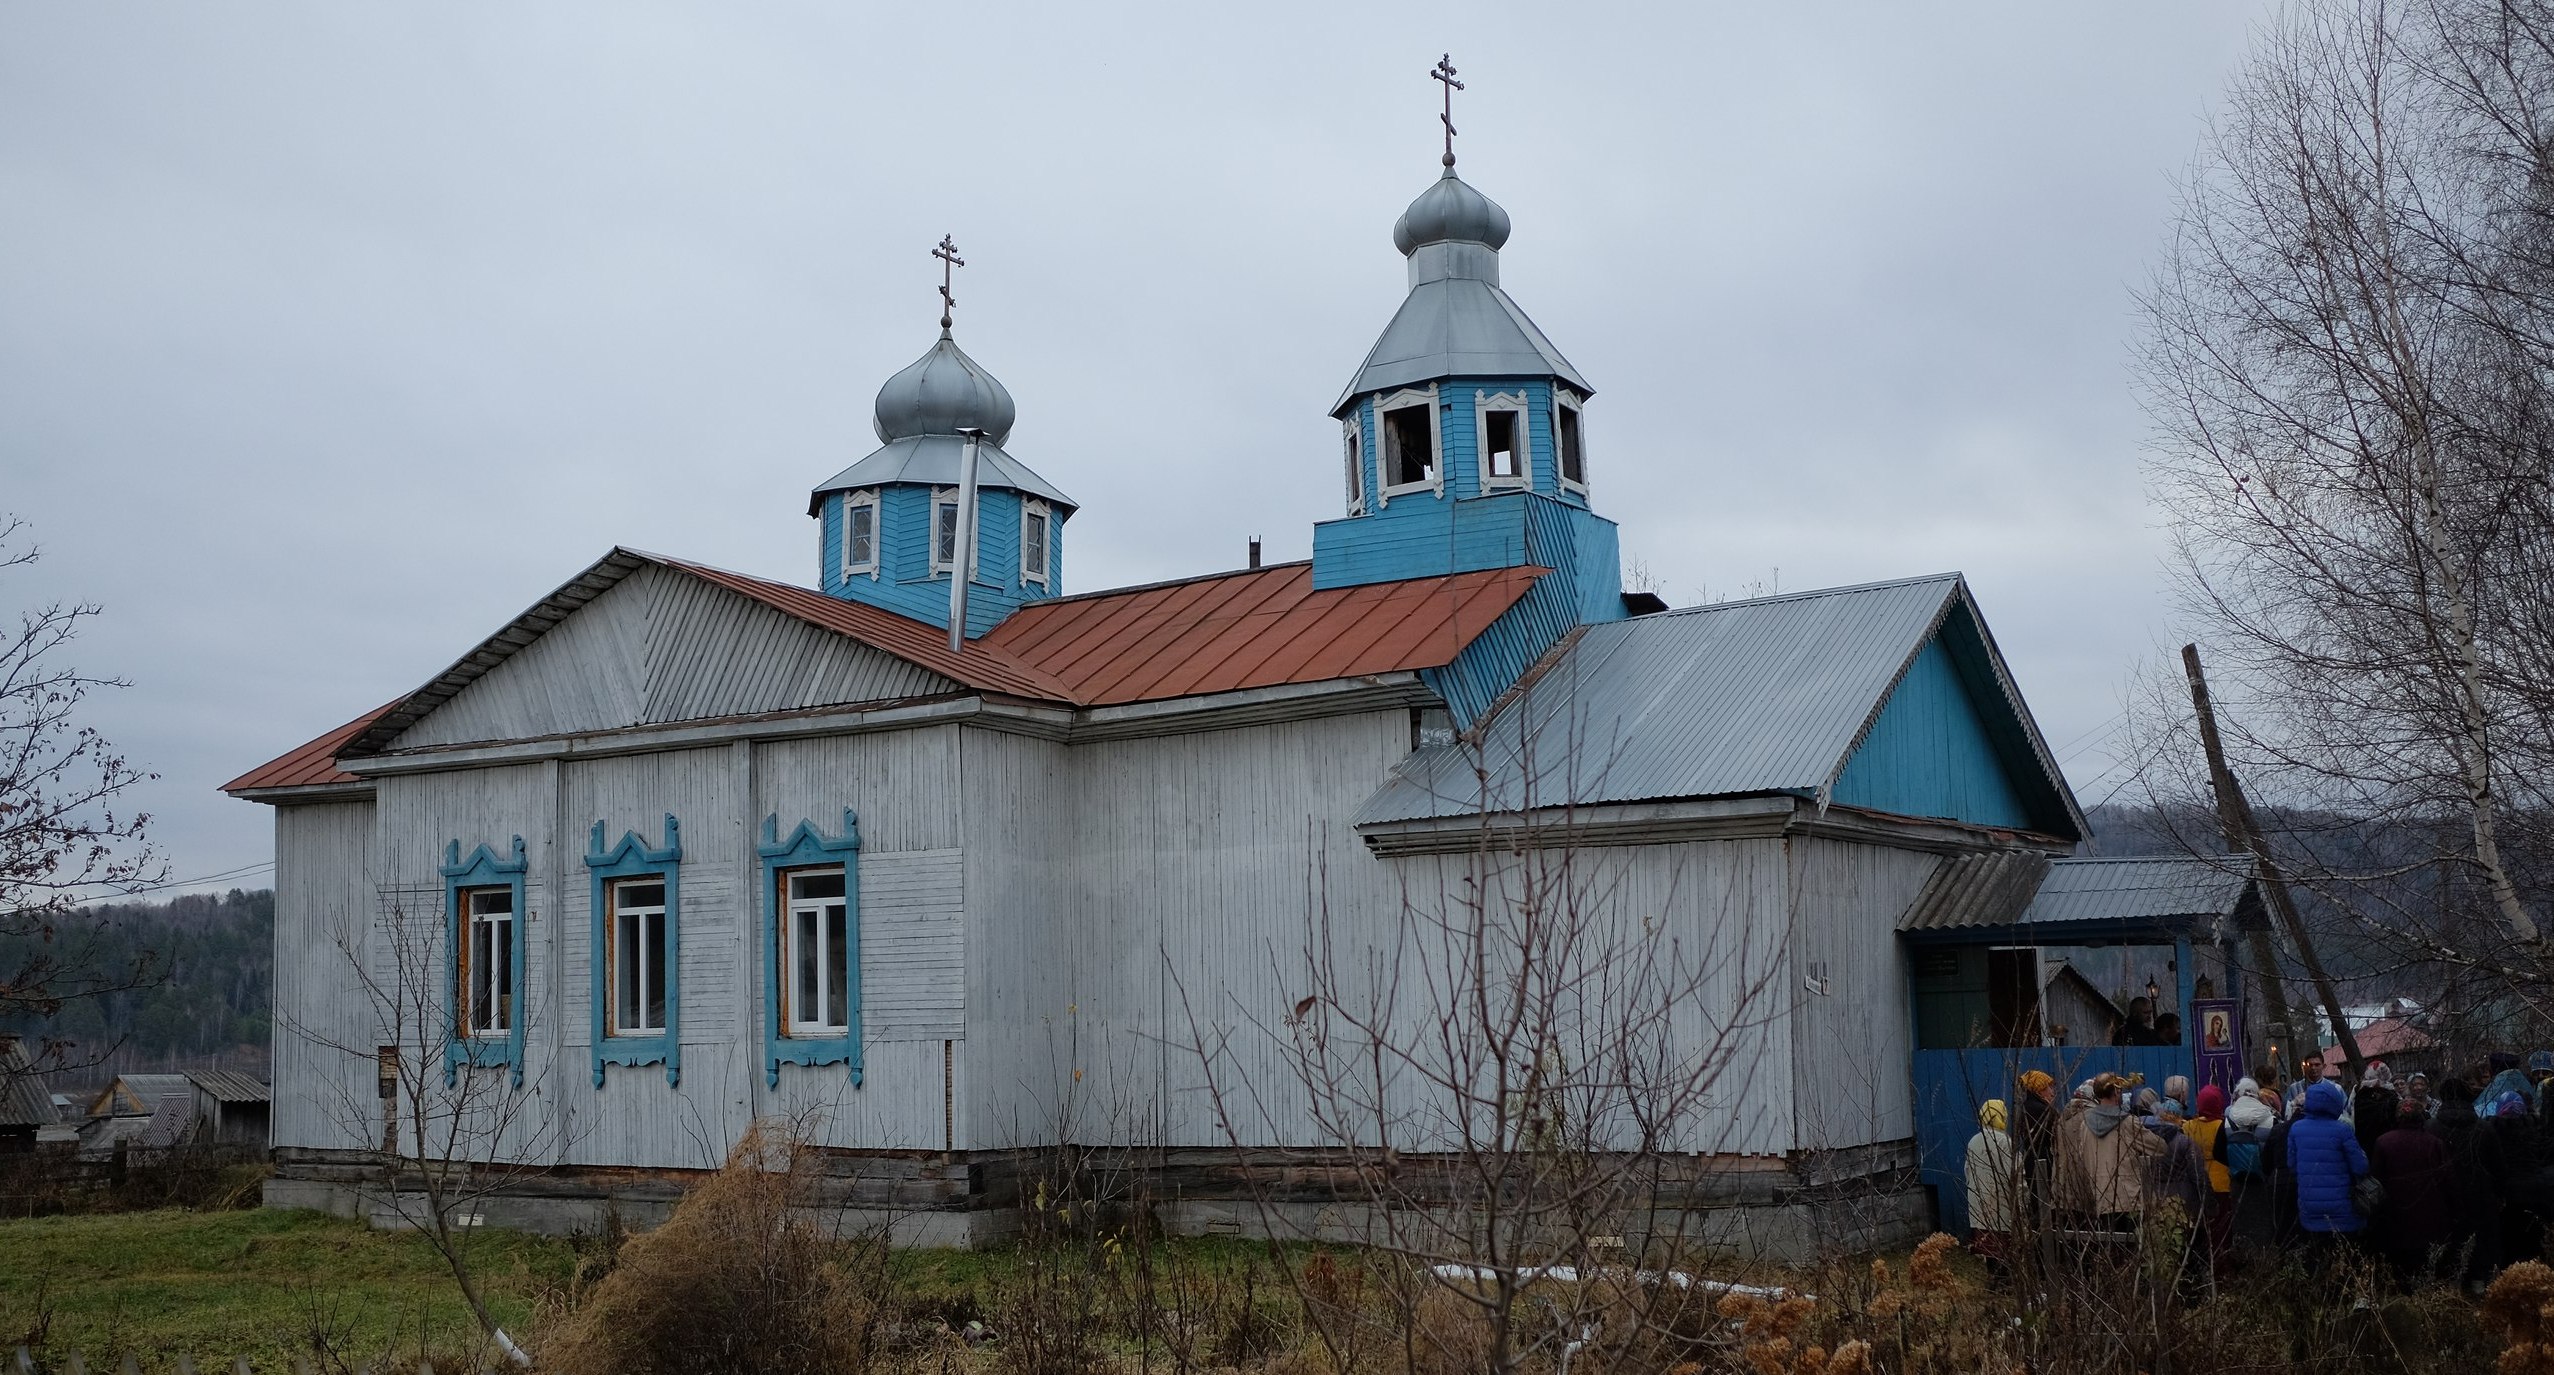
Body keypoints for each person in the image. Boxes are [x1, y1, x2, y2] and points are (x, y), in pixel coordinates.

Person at [2056, 1072, 2165, 1227]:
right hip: (2128, 1199)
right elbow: (2159, 1147)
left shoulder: (2085, 1125)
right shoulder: (2127, 1122)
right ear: (2117, 1092)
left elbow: (2082, 1158)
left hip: (2099, 1198)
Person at [2430, 1076, 2506, 1293]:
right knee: (2480, 1241)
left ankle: (2450, 1290)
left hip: (2444, 1196)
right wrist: (2500, 1194)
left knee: (2450, 1242)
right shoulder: (2484, 1128)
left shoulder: (2432, 1128)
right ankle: (2478, 1284)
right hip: (2481, 1194)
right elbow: (2498, 1166)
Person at [2370, 1099, 2457, 1284]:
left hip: (2396, 1211)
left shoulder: (2383, 1142)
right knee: (2426, 1261)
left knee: (2401, 1262)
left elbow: (2377, 1179)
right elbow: (2447, 1179)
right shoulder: (2434, 1143)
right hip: (2430, 1211)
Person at [2290, 1078, 2372, 1263]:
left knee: (2317, 1259)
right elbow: (2360, 1167)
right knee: (2344, 1260)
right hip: (2342, 1207)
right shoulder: (2342, 1130)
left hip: (2309, 1206)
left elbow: (2292, 1165)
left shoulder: (2296, 1129)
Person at [2185, 1084, 2236, 1281]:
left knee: (2202, 1229)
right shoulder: (2222, 1126)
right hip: (2221, 1181)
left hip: (2197, 1182)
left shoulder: (2188, 1126)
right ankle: (2222, 1268)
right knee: (2222, 1229)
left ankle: (2202, 1266)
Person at [1966, 1099, 2019, 1271]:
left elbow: (1968, 1171)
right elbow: (2015, 1173)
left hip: (1980, 1199)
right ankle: (2004, 1281)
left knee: (1988, 1242)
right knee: (2003, 1241)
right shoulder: (2004, 1141)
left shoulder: (1973, 1141)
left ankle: (1993, 1278)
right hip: (2000, 1199)